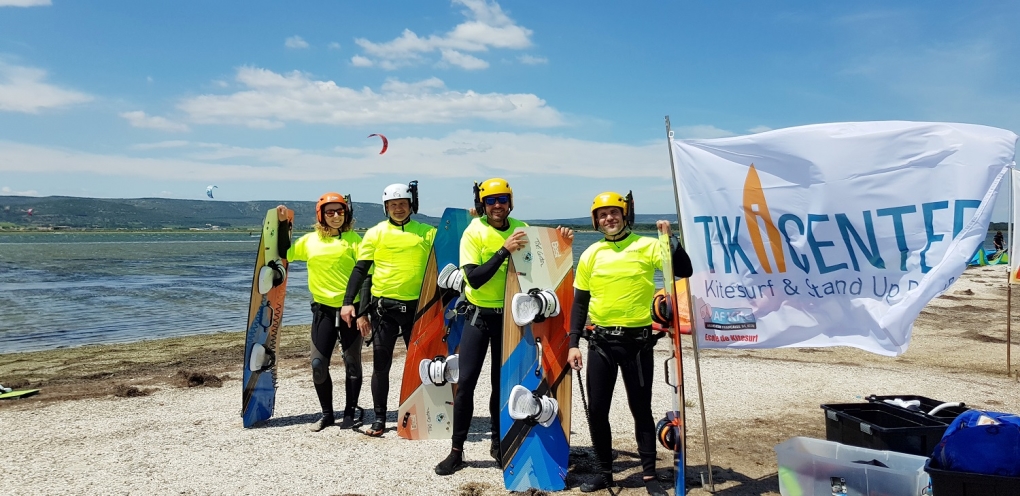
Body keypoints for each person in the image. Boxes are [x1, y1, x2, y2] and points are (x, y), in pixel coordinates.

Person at [435, 177, 573, 476]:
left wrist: (562, 241)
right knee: (466, 384)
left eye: (502, 199)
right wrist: (503, 251)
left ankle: (500, 446)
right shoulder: (475, 232)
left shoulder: (523, 229)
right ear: (482, 205)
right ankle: (456, 451)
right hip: (478, 317)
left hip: (511, 319)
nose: (497, 205)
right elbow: (473, 278)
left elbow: (545, 264)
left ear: (510, 202)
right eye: (490, 201)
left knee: (504, 385)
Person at [566, 191, 693, 495]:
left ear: (625, 215)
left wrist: (671, 239)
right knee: (597, 410)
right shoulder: (590, 254)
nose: (609, 218)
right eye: (602, 215)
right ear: (595, 221)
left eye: (614, 213)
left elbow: (683, 271)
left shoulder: (648, 246)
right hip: (600, 343)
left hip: (636, 343)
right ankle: (604, 472)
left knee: (641, 409)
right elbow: (579, 305)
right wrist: (573, 344)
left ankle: (649, 475)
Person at [341, 181, 436, 437]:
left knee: (423, 365)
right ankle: (380, 418)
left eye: (402, 204)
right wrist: (351, 305)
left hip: (419, 309)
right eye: (393, 205)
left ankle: (424, 414)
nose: (398, 209)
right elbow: (361, 270)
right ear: (386, 208)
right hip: (384, 311)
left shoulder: (427, 232)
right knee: (381, 366)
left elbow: (453, 249)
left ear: (411, 205)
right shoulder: (375, 233)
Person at [276, 193, 371, 432]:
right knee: (318, 364)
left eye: (340, 212)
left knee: (352, 362)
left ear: (346, 214)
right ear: (321, 215)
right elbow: (284, 252)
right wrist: (281, 223)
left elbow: (368, 276)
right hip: (323, 311)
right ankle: (327, 414)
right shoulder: (309, 241)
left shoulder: (355, 241)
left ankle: (350, 411)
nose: (336, 216)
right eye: (330, 212)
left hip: (352, 308)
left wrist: (364, 312)